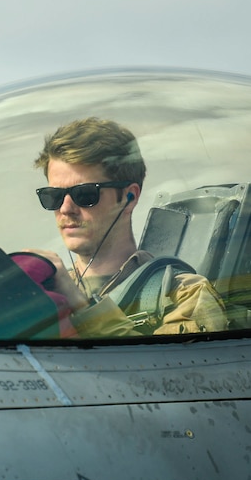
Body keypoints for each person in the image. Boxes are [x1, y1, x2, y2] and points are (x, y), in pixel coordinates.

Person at [29, 117, 226, 337]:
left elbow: (167, 369)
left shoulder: (183, 293)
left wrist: (83, 308)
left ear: (129, 198)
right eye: (53, 196)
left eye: (84, 194)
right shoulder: (45, 292)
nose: (65, 208)